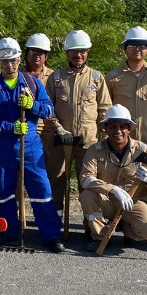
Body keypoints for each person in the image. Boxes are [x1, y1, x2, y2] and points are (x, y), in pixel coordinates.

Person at [0, 37, 65, 253]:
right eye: (4, 61)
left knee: (41, 189)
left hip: (31, 146)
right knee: (4, 192)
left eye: (13, 60)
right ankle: (8, 232)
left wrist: (32, 105)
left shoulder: (33, 84)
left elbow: (49, 110)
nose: (9, 65)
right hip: (2, 147)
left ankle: (50, 236)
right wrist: (10, 127)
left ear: (19, 59)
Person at [78, 104, 147, 251]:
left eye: (122, 127)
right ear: (106, 129)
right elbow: (86, 178)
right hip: (106, 200)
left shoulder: (143, 150)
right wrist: (112, 189)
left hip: (133, 202)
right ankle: (99, 236)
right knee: (87, 195)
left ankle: (127, 227)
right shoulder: (95, 150)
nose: (117, 131)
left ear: (129, 129)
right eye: (112, 127)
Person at [45, 29, 112, 210]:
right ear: (67, 53)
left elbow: (105, 110)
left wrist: (105, 137)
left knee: (88, 181)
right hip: (60, 140)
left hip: (88, 142)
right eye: (74, 51)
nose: (78, 55)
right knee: (55, 181)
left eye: (82, 51)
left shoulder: (96, 77)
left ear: (88, 53)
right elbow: (47, 108)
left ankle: (90, 221)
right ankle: (55, 220)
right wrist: (59, 129)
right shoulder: (56, 77)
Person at [23, 33, 56, 165]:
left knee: (45, 167)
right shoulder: (17, 75)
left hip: (48, 130)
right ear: (26, 53)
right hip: (24, 128)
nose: (37, 55)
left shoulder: (54, 77)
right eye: (33, 51)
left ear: (46, 56)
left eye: (41, 52)